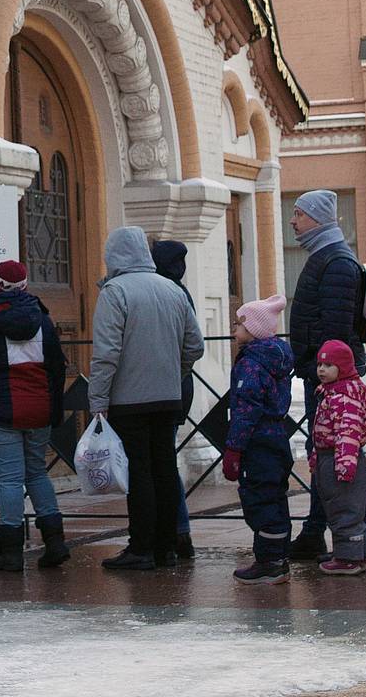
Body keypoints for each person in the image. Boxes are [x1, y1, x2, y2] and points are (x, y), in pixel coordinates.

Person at [90, 227, 205, 571]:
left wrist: (98, 399)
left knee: (138, 472)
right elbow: (195, 346)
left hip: (129, 400)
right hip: (168, 397)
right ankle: (167, 547)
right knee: (165, 470)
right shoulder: (173, 290)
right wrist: (174, 373)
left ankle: (141, 547)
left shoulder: (115, 292)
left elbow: (106, 353)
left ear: (114, 255)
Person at [0, 260, 69, 573]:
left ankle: (11, 553)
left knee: (9, 479)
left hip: (2, 411)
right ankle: (55, 542)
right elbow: (58, 368)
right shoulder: (43, 319)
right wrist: (54, 410)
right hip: (39, 410)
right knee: (37, 473)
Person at [287, 188, 366, 562]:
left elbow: (335, 327)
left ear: (317, 218)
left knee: (334, 456)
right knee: (322, 455)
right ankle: (318, 532)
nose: (293, 221)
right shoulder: (325, 256)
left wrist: (323, 373)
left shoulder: (334, 261)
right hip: (322, 374)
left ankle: (346, 541)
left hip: (330, 379)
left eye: (300, 214)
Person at [223, 294, 294, 585]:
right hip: (277, 438)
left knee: (260, 499)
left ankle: (269, 561)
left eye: (239, 324)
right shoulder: (274, 360)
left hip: (257, 443)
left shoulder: (251, 364)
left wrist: (234, 448)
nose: (234, 330)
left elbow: (245, 409)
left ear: (253, 330)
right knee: (275, 496)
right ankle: (278, 556)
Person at [310, 339, 366, 575]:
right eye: (319, 364)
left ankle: (349, 558)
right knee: (343, 507)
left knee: (344, 509)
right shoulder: (332, 392)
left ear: (344, 367)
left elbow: (348, 432)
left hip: (343, 460)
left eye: (328, 365)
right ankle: (361, 554)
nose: (321, 370)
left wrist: (345, 464)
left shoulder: (345, 396)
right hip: (332, 457)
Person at [152, 238, 197, 560]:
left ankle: (174, 533)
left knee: (160, 464)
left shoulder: (164, 293)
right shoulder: (181, 292)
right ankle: (178, 533)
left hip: (165, 389)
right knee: (165, 460)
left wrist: (171, 371)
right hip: (181, 388)